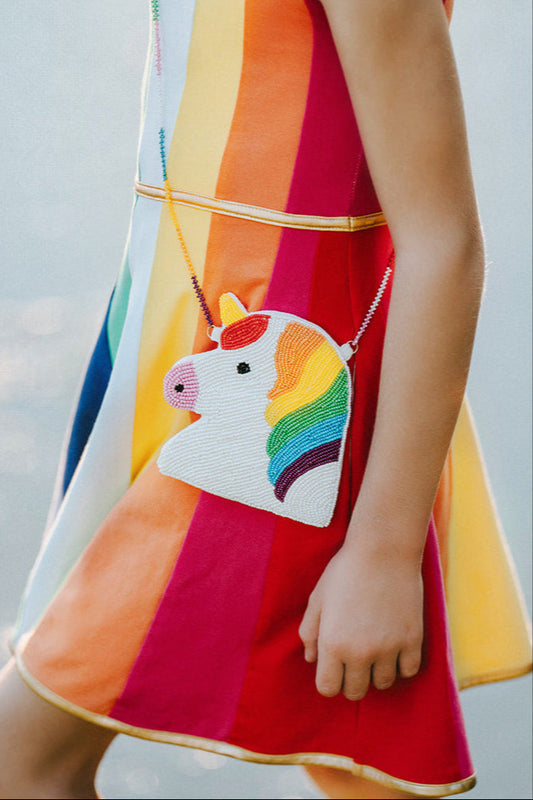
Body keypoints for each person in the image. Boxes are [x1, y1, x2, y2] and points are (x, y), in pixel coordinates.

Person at [0, 1, 531, 798]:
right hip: (172, 351)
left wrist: (383, 552)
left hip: (277, 412)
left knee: (26, 754)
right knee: (352, 765)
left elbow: (442, 242)